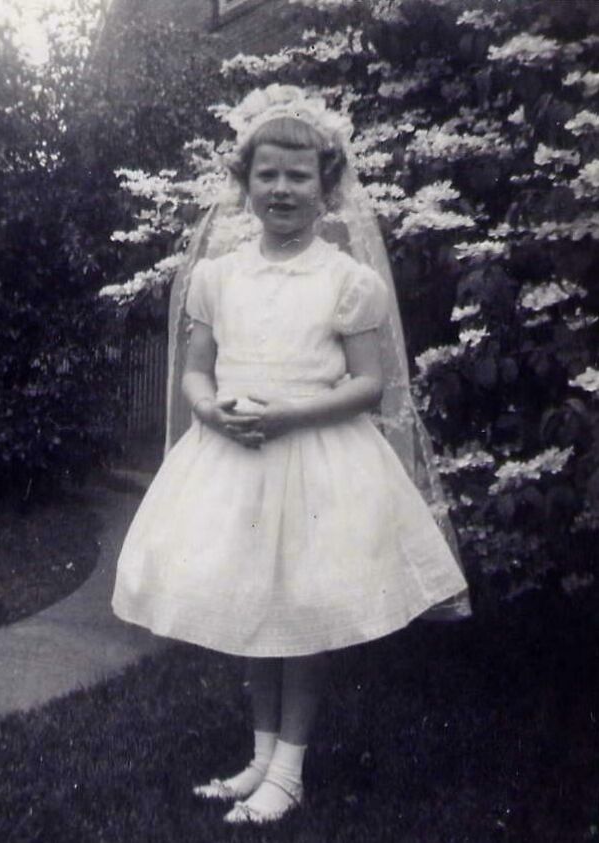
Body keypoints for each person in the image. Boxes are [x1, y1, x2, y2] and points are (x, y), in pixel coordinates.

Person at [112, 84, 469, 825]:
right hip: (235, 451)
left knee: (302, 606)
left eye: (298, 175)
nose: (281, 188)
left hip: (317, 459)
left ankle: (293, 767)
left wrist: (292, 413)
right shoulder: (218, 277)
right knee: (256, 601)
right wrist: (208, 407)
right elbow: (197, 368)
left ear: (327, 186)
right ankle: (261, 754)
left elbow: (370, 385)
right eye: (266, 174)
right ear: (244, 186)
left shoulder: (347, 283)